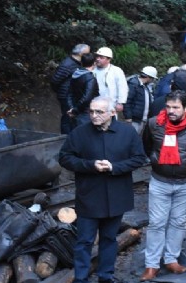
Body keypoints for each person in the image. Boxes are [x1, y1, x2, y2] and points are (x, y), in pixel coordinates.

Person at [59, 96, 146, 283]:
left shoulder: (127, 132)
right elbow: (65, 158)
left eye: (99, 112)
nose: (94, 115)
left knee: (109, 238)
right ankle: (80, 278)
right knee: (84, 241)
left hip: (116, 195)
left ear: (112, 113)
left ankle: (105, 276)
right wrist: (91, 165)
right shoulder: (80, 133)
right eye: (91, 111)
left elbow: (139, 158)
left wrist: (114, 167)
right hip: (89, 194)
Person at [140, 91, 186, 281]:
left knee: (178, 221)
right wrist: (156, 160)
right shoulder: (153, 123)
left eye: (176, 108)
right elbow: (146, 146)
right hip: (160, 180)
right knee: (156, 223)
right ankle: (152, 264)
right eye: (168, 107)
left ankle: (171, 259)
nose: (171, 111)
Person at [51, 43, 90, 134]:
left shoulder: (76, 63)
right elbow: (55, 81)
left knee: (72, 118)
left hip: (71, 95)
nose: (89, 55)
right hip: (66, 96)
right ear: (81, 54)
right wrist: (62, 92)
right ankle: (65, 139)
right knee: (68, 118)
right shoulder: (67, 64)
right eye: (88, 53)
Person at [66, 53, 98, 129]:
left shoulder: (75, 75)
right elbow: (86, 98)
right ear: (94, 63)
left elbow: (69, 94)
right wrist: (75, 110)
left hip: (75, 111)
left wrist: (72, 108)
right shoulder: (90, 78)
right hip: (86, 113)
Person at [93, 47, 128, 115]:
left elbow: (122, 87)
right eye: (97, 56)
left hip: (111, 105)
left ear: (109, 59)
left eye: (101, 57)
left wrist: (120, 102)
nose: (98, 59)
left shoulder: (116, 70)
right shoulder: (92, 69)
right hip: (94, 104)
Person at [124, 66, 157, 135]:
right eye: (152, 78)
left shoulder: (145, 86)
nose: (153, 80)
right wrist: (128, 117)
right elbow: (127, 101)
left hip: (141, 119)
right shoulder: (134, 84)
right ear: (148, 77)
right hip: (134, 120)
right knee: (131, 138)